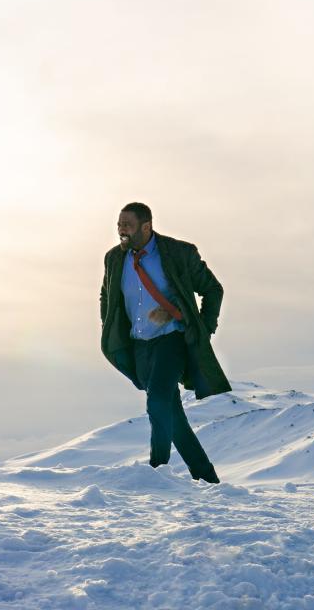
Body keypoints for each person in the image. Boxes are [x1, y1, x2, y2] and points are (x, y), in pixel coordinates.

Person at [99, 202, 231, 483]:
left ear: (146, 227)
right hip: (139, 346)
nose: (121, 229)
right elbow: (106, 296)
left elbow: (213, 290)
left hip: (171, 340)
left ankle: (156, 472)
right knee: (173, 418)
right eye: (119, 224)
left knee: (157, 402)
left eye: (127, 224)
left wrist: (202, 329)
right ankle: (207, 479)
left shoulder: (178, 253)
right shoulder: (114, 259)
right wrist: (108, 326)